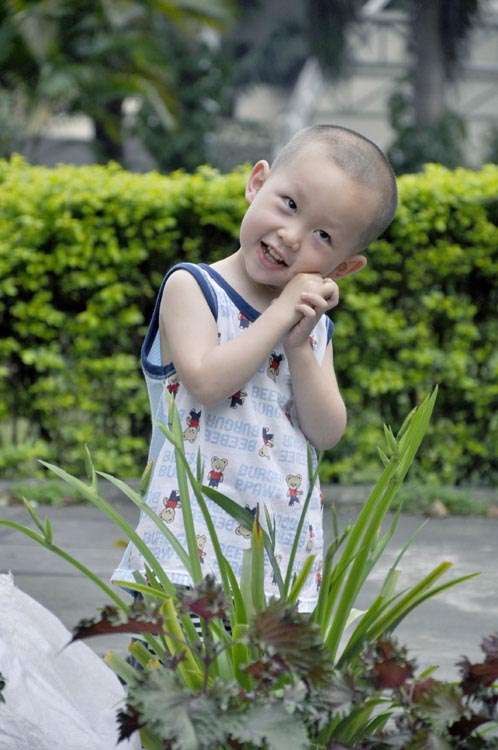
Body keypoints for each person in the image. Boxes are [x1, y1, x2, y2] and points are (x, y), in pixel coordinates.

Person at [112, 124, 398, 612]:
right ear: (257, 182)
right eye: (289, 204)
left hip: (278, 561)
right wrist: (283, 312)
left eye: (323, 236)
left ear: (343, 268)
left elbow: (326, 431)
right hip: (184, 555)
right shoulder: (194, 288)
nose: (291, 236)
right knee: (181, 664)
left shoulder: (311, 328)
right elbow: (206, 382)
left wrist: (300, 345)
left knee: (268, 666)